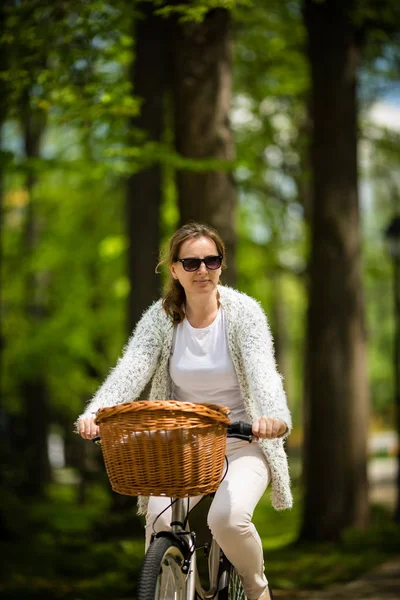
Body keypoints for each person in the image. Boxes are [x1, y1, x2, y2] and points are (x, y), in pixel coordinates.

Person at [77, 221, 292, 600]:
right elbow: (131, 368)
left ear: (221, 265)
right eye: (191, 263)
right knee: (159, 524)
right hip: (182, 447)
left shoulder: (244, 313)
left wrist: (273, 415)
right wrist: (97, 411)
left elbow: (263, 372)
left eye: (212, 260)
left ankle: (258, 590)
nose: (203, 270)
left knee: (226, 520)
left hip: (242, 440)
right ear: (173, 269)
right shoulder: (161, 318)